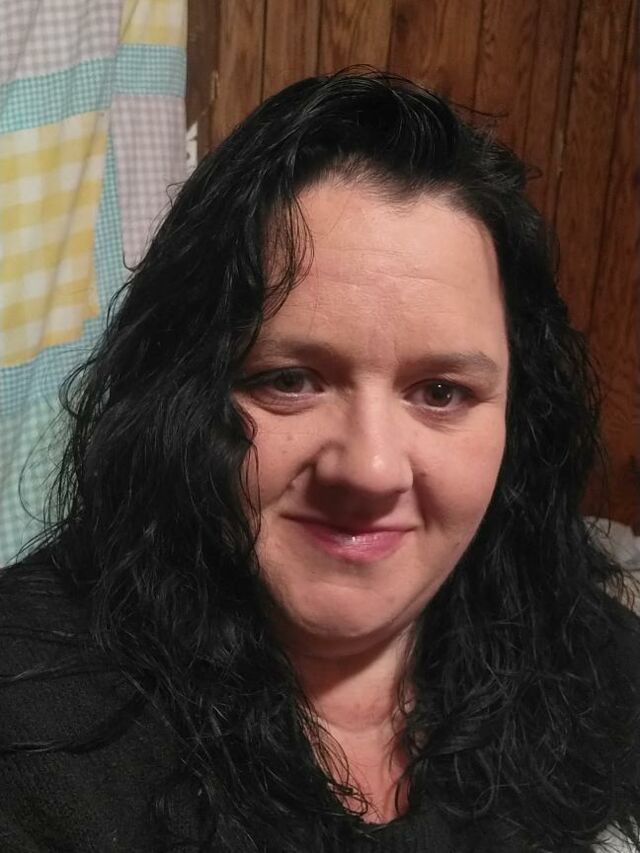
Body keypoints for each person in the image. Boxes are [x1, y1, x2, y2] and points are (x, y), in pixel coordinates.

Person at [0, 70, 638, 853]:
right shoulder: (31, 732)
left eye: (441, 392)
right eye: (289, 380)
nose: (369, 469)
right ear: (179, 388)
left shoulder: (590, 652)